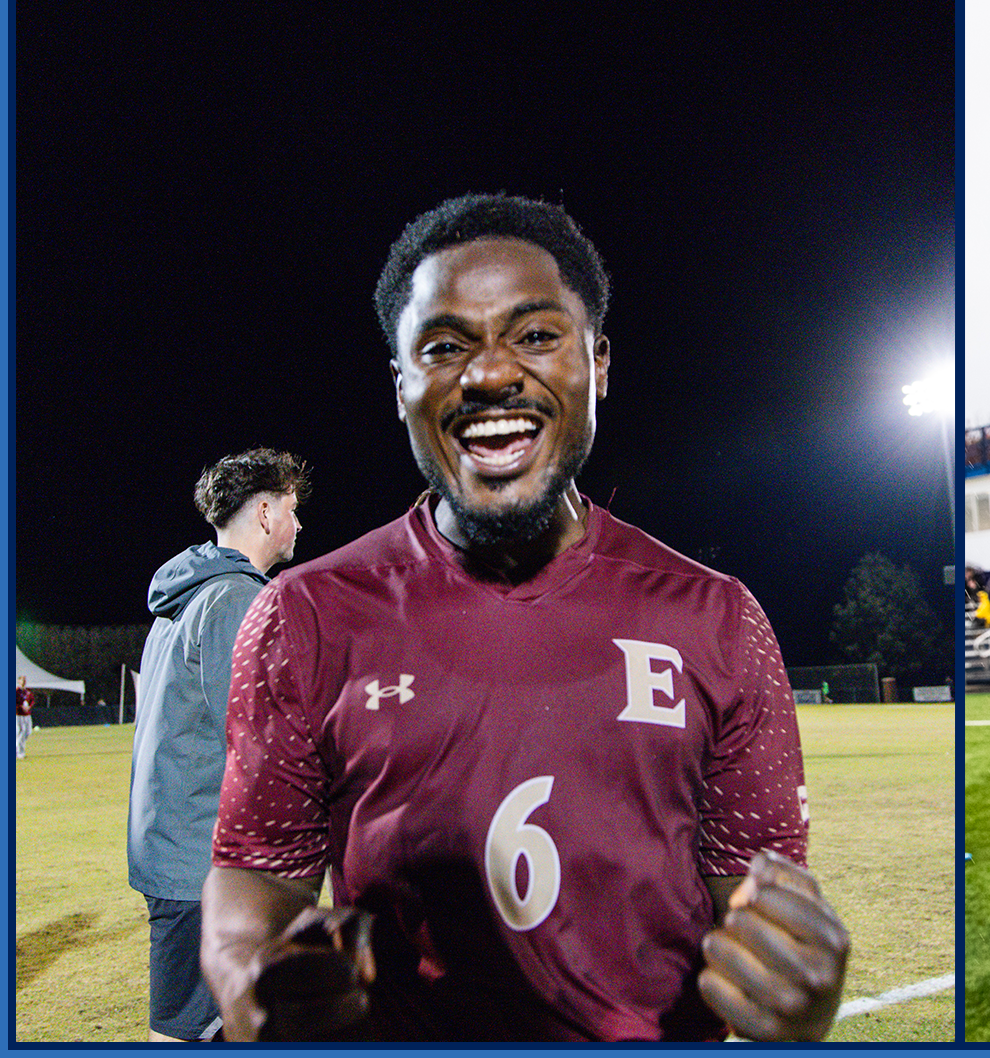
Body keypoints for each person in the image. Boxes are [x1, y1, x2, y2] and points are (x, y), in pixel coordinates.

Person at [200, 195, 847, 1042]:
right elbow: (256, 878)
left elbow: (757, 897)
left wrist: (795, 974)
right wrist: (253, 971)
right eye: (444, 346)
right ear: (402, 387)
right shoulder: (304, 616)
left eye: (536, 335)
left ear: (599, 362)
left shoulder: (718, 619)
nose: (492, 374)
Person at [129, 447, 311, 1042]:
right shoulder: (236, 598)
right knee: (199, 1030)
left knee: (186, 1024)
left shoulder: (181, 598)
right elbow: (258, 742)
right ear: (264, 516)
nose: (298, 524)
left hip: (172, 847)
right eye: (291, 509)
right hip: (204, 861)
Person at [15, 676, 35, 760]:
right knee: (20, 732)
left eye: (24, 680)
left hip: (27, 714)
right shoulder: (16, 691)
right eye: (22, 680)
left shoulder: (28, 691)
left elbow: (32, 700)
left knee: (28, 732)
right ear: (18, 681)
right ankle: (20, 753)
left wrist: (29, 707)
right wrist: (20, 707)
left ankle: (16, 748)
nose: (23, 681)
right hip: (18, 714)